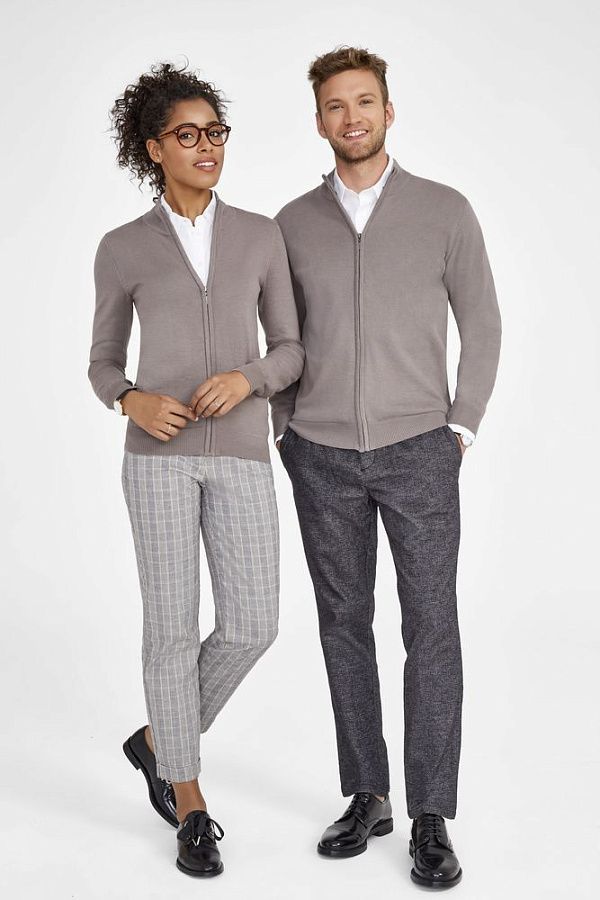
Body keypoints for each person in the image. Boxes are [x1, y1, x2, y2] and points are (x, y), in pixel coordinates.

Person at [272, 46, 501, 889]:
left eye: (364, 101)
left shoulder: (444, 211)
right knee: (343, 625)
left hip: (419, 452)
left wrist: (459, 426)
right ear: (319, 120)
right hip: (320, 453)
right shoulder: (290, 224)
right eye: (336, 105)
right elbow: (281, 339)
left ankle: (431, 813)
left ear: (388, 111)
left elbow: (484, 322)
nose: (352, 117)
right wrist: (286, 429)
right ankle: (368, 794)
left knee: (431, 628)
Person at [88, 60, 304, 878]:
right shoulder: (123, 248)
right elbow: (102, 360)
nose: (208, 146)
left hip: (242, 451)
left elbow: (291, 348)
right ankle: (189, 800)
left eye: (216, 132)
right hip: (158, 462)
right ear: (154, 148)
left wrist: (249, 378)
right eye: (189, 134)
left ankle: (156, 740)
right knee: (172, 630)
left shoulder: (259, 234)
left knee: (253, 624)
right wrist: (131, 399)